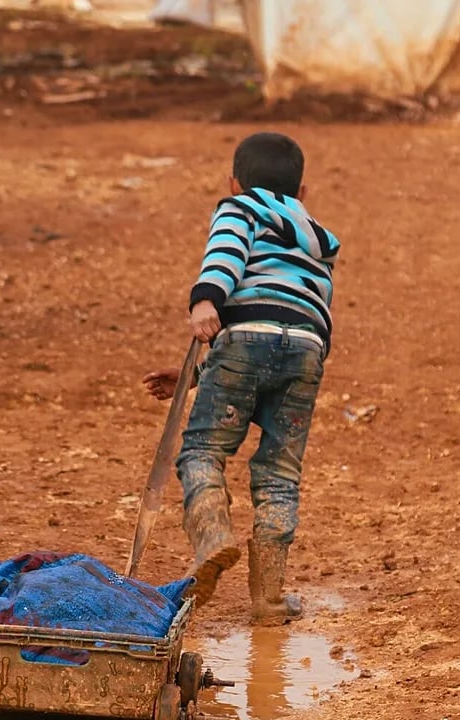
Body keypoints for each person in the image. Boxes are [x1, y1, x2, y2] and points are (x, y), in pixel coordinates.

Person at [142, 132, 340, 625]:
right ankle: (269, 600)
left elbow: (227, 256)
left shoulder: (237, 209)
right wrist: (196, 375)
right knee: (279, 474)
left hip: (244, 341)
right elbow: (286, 317)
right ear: (304, 193)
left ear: (233, 183)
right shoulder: (317, 239)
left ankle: (212, 538)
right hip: (306, 354)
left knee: (201, 452)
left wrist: (206, 299)